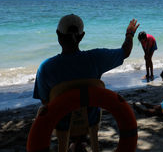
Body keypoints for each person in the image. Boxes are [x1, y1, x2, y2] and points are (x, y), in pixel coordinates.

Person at [33, 14, 139, 151]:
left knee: (43, 109)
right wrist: (129, 33)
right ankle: (80, 141)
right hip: (90, 120)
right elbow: (125, 52)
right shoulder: (96, 58)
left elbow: (45, 101)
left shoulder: (46, 67)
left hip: (61, 124)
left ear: (58, 35)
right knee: (88, 102)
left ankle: (71, 143)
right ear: (82, 36)